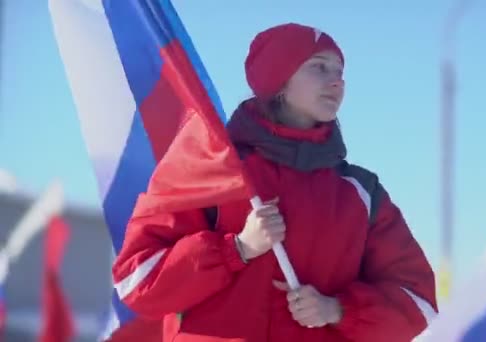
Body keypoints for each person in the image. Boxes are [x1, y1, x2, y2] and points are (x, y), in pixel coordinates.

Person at [111, 23, 437, 342]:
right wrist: (236, 249)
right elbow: (136, 280)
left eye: (339, 71)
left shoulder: (361, 193)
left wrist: (338, 310)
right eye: (318, 67)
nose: (336, 80)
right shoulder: (213, 166)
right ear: (278, 81)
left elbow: (418, 301)